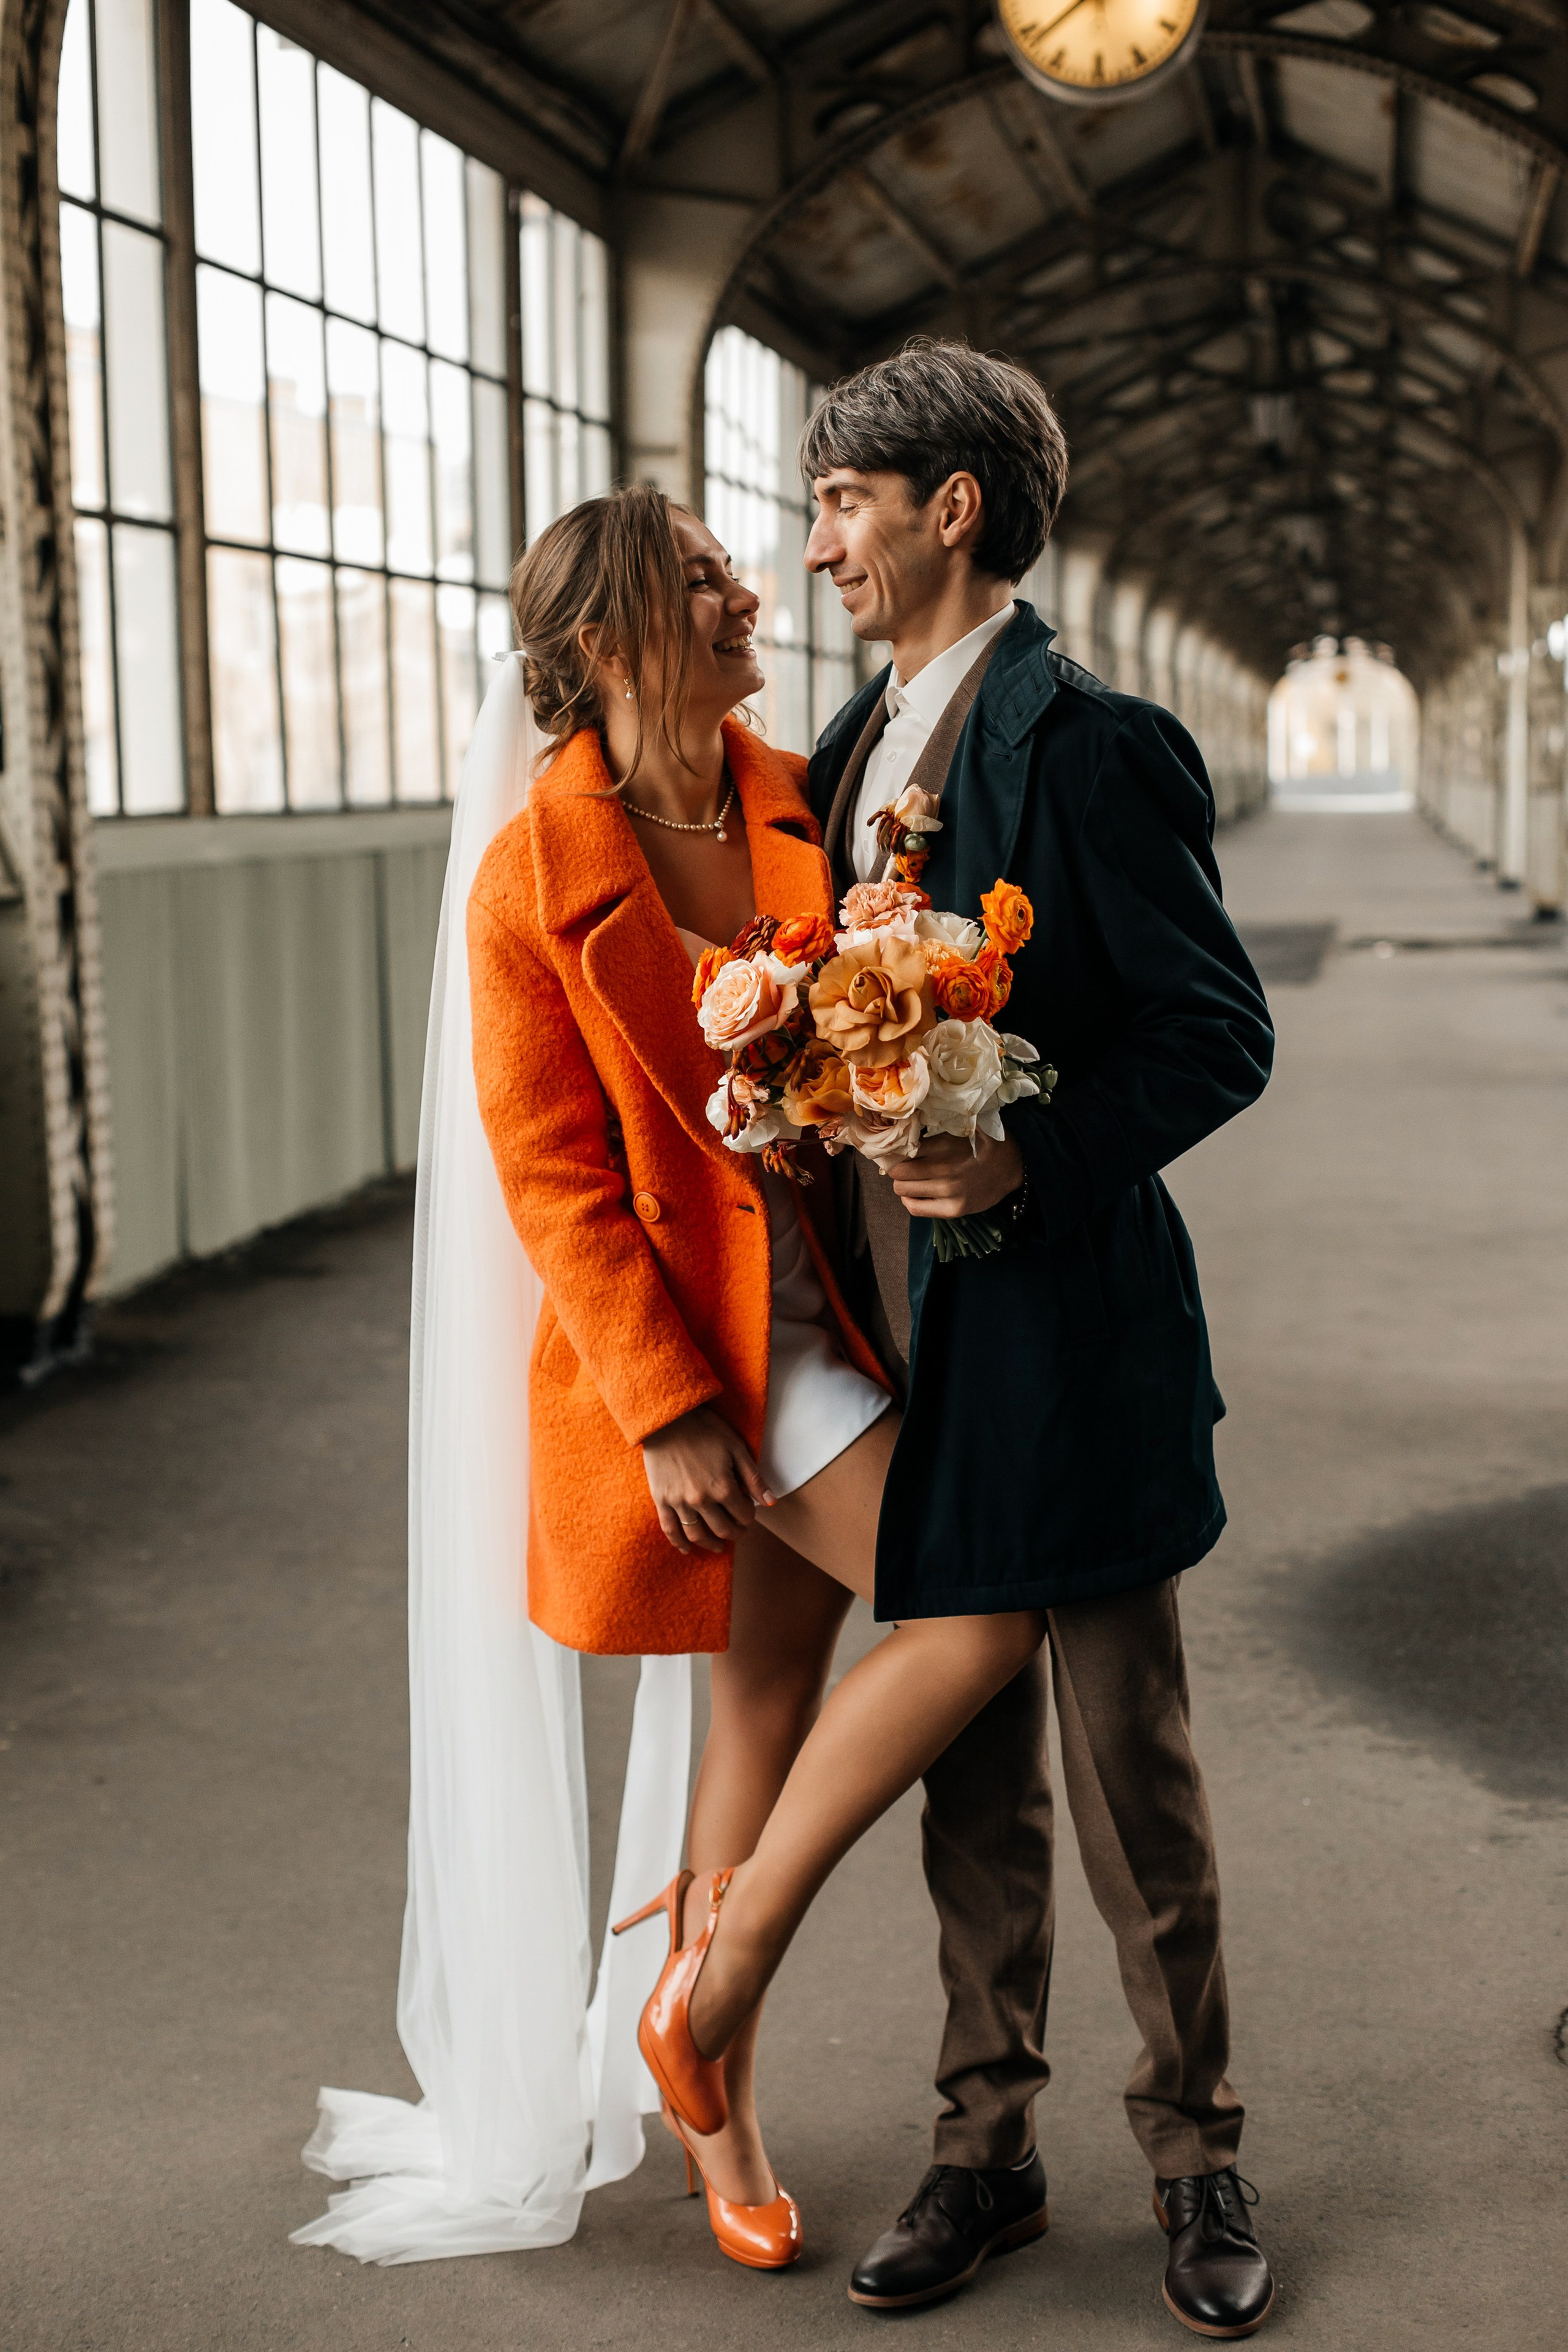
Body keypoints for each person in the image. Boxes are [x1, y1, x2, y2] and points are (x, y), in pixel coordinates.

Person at [621, 341, 1278, 2340]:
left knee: (1122, 1760)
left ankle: (1196, 2157)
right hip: (909, 1340)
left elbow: (1218, 1033)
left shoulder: (1094, 744)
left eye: (840, 504)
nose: (814, 544)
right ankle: (981, 2151)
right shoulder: (832, 757)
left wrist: (1026, 1166)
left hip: (1070, 1318)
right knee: (968, 1769)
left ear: (950, 508)